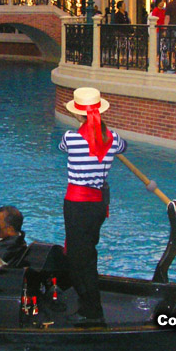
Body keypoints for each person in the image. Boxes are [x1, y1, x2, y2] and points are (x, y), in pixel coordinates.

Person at [59, 87, 127, 327]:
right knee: (87, 254)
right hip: (97, 207)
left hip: (77, 206)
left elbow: (63, 149)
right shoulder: (113, 139)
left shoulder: (71, 138)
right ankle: (89, 303)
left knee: (79, 259)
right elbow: (123, 147)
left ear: (78, 115)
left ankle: (92, 311)